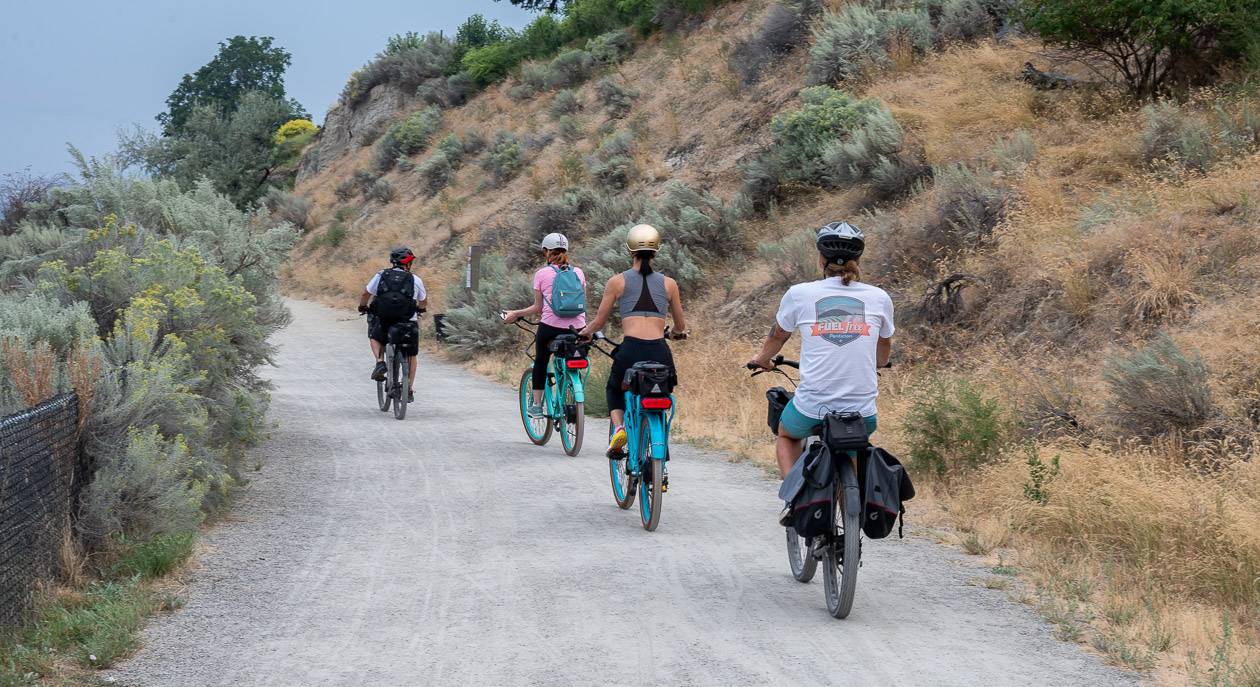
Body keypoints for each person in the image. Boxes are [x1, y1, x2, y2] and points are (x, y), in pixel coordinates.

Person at [745, 221, 894, 524]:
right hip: (862, 412)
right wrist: (878, 364)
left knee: (786, 434)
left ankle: (795, 497)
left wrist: (762, 359)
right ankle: (848, 516)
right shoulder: (879, 298)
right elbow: (884, 348)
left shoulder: (800, 294)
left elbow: (777, 336)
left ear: (821, 258)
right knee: (853, 439)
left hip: (814, 404)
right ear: (858, 258)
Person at [578, 224, 688, 459]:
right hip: (660, 350)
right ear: (657, 251)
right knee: (663, 391)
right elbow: (680, 326)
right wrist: (677, 333)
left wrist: (586, 333)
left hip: (630, 350)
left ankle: (619, 429)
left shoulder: (617, 282)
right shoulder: (669, 284)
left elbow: (598, 322)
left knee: (614, 388)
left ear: (630, 251)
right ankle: (658, 439)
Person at [503, 233, 587, 417]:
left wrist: (516, 313)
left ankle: (536, 405)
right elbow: (582, 302)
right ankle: (573, 390)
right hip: (578, 328)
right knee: (574, 357)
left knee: (541, 360)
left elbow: (538, 307)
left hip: (551, 327)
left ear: (545, 252)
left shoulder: (542, 274)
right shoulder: (578, 272)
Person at [358, 246, 428, 402]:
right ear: (408, 264)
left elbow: (366, 293)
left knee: (374, 335)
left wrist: (363, 306)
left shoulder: (381, 275)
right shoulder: (415, 280)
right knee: (411, 354)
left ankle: (380, 362)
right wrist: (421, 310)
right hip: (407, 321)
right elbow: (423, 301)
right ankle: (408, 388)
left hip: (385, 318)